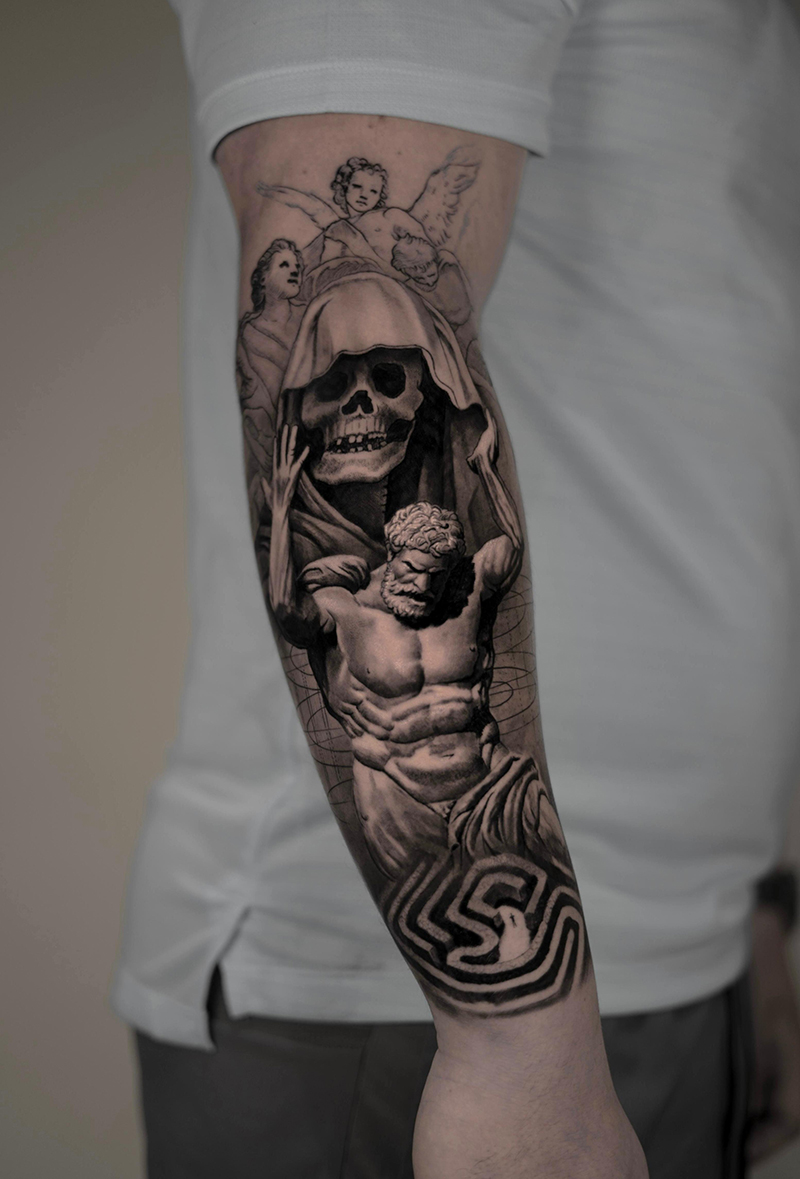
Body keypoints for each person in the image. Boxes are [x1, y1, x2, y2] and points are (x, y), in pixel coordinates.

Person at [115, 1, 800, 1177]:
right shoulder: (348, 572)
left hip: (672, 939)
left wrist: (749, 903)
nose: (369, 407)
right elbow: (342, 273)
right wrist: (514, 1047)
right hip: (410, 1000)